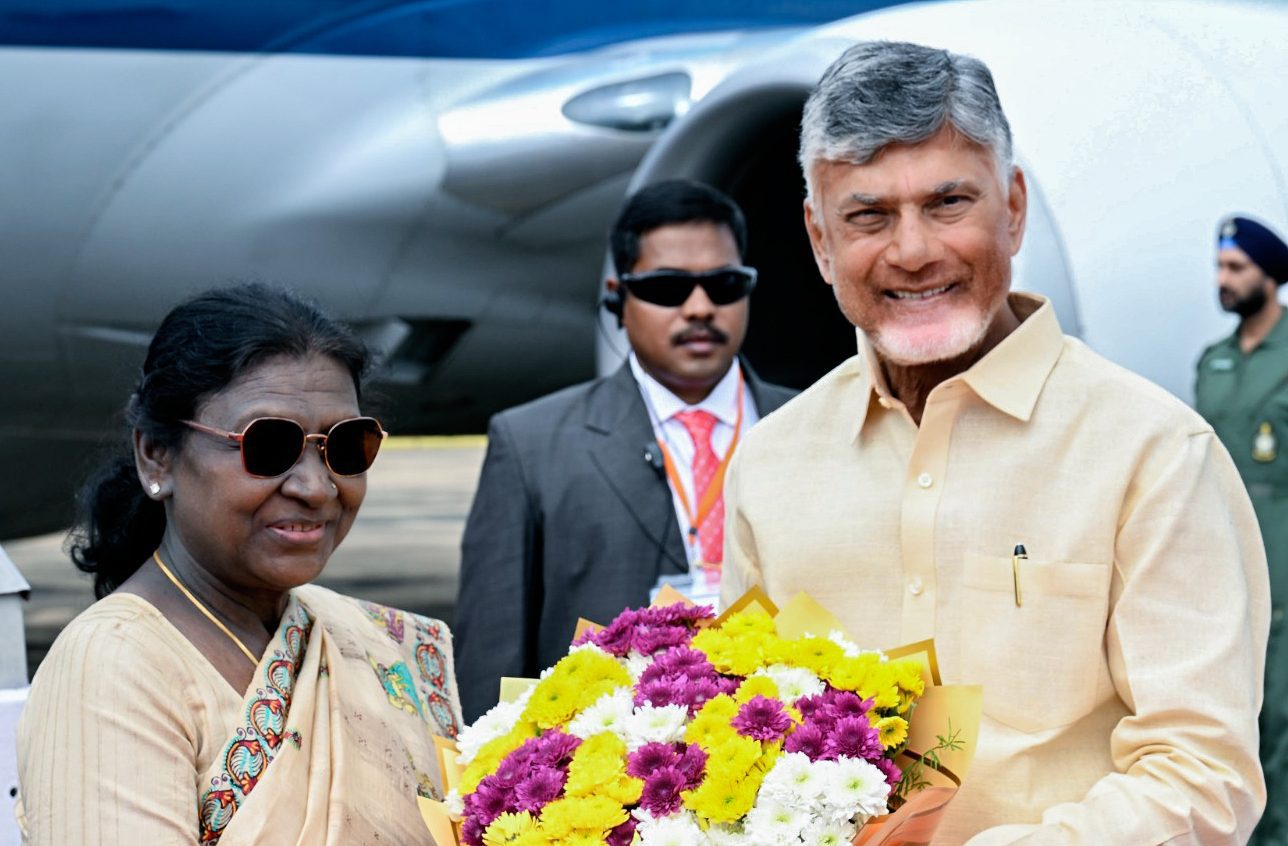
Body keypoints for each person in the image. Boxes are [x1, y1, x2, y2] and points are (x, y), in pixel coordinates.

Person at [720, 41, 1269, 844]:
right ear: (819, 238)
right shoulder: (770, 465)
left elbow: (1203, 775)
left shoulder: (1152, 453)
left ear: (1012, 208)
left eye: (948, 203)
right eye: (868, 215)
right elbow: (738, 740)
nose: (912, 250)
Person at [17, 284, 460, 845]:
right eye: (268, 445)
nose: (316, 487)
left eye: (345, 446)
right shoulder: (115, 663)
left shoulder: (372, 641)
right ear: (157, 455)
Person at [454, 179, 796, 722]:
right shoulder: (530, 445)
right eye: (667, 289)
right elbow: (492, 660)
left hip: (798, 763)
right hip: (601, 782)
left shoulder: (817, 426)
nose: (701, 307)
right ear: (617, 296)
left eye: (725, 285)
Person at [1195, 214, 1288, 846]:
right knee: (1237, 718)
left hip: (1284, 572)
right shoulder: (1215, 360)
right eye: (1219, 267)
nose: (1222, 280)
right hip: (1222, 570)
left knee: (1282, 718)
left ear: (1270, 276)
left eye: (1236, 269)